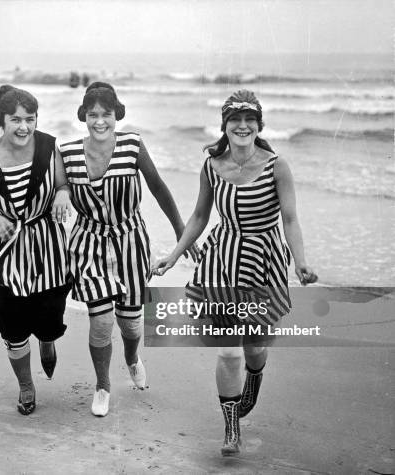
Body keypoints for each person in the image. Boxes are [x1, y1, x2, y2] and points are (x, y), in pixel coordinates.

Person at [152, 89, 318, 456]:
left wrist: (301, 261)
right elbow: (199, 217)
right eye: (235, 121)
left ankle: (255, 378)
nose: (242, 127)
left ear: (259, 126)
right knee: (229, 354)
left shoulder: (277, 165)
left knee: (255, 348)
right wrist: (173, 255)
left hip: (264, 262)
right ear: (225, 126)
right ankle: (231, 427)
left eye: (249, 121)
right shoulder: (212, 166)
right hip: (221, 263)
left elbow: (290, 219)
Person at [59, 82, 191, 417]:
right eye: (93, 114)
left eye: (106, 114)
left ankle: (132, 358)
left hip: (131, 241)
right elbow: (52, 189)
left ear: (117, 114)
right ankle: (102, 385)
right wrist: (61, 191)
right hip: (88, 244)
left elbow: (158, 187)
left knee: (131, 326)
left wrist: (181, 233)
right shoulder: (68, 153)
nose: (99, 121)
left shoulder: (132, 145)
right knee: (101, 322)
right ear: (83, 116)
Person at [0, 85, 71, 415]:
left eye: (30, 119)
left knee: (49, 321)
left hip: (47, 252)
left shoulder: (50, 147)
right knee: (11, 327)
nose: (24, 126)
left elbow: (63, 184)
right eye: (16, 119)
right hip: (3, 257)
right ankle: (26, 385)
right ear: (2, 121)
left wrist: (63, 193)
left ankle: (47, 339)